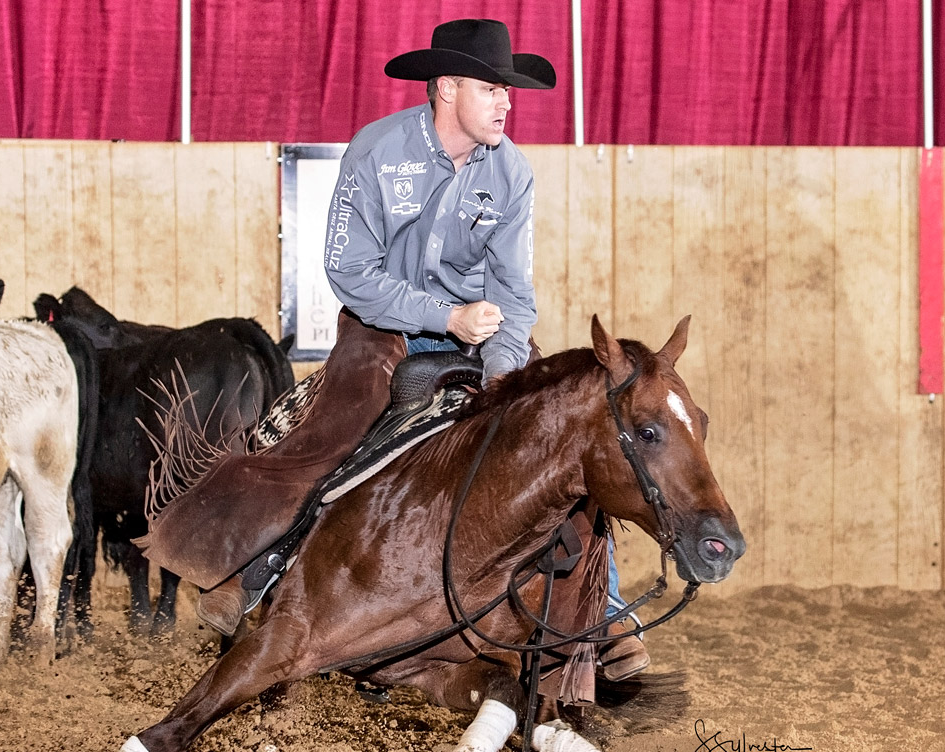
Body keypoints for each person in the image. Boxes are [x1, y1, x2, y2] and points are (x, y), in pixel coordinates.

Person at [156, 18, 647, 680]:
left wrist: (503, 378)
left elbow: (512, 290)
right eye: (492, 88)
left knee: (561, 437)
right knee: (337, 427)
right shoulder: (377, 152)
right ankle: (253, 570)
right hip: (381, 325)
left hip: (485, 330)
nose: (507, 102)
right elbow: (351, 272)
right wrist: (443, 315)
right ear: (446, 88)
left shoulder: (513, 174)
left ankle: (603, 615)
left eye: (509, 91)